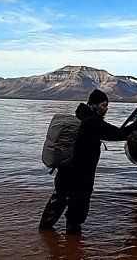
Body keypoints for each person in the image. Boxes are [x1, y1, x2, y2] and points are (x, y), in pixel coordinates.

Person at [39, 89, 131, 234]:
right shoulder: (93, 122)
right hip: (81, 174)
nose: (106, 109)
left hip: (65, 171)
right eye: (104, 105)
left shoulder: (81, 117)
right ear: (94, 105)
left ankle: (45, 235)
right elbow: (118, 133)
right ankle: (73, 248)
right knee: (78, 208)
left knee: (58, 200)